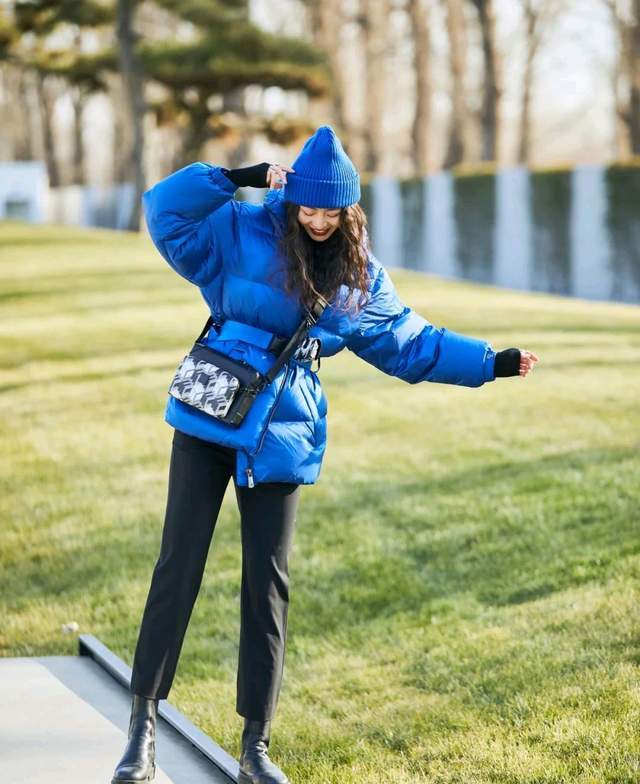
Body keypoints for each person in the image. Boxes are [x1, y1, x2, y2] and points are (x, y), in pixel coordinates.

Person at [111, 125, 539, 784]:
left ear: (349, 209)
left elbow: (411, 342)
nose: (314, 219)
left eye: (328, 210)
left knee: (269, 588)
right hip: (208, 417)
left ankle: (255, 748)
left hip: (284, 430)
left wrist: (492, 362)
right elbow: (164, 209)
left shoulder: (360, 277)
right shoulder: (240, 229)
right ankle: (140, 734)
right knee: (178, 568)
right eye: (307, 206)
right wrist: (235, 178)